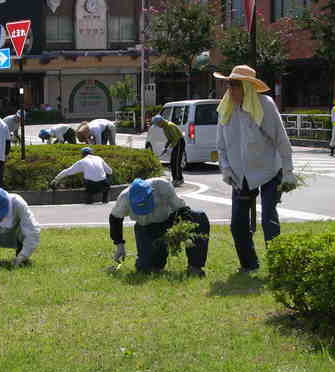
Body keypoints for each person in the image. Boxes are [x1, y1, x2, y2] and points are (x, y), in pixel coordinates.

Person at [214, 65, 297, 273]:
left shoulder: (265, 105)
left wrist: (288, 172)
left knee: (268, 218)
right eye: (228, 84)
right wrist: (225, 169)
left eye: (234, 85)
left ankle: (278, 266)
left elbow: (281, 140)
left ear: (248, 87)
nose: (230, 89)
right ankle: (249, 264)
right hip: (240, 175)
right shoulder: (225, 108)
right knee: (237, 223)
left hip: (269, 169)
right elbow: (221, 146)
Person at [109, 178, 209, 277]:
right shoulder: (124, 198)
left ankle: (195, 267)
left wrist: (180, 232)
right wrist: (120, 246)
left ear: (152, 193)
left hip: (169, 220)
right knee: (146, 269)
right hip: (146, 228)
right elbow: (115, 220)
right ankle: (153, 260)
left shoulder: (162, 186)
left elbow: (182, 210)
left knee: (198, 217)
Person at [151, 115, 185, 187]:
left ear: (160, 122)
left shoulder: (169, 126)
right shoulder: (164, 127)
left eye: (157, 124)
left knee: (176, 162)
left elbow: (176, 138)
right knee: (172, 162)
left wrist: (171, 147)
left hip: (179, 142)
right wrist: (165, 147)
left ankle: (179, 179)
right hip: (175, 143)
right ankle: (175, 179)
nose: (157, 126)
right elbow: (169, 139)